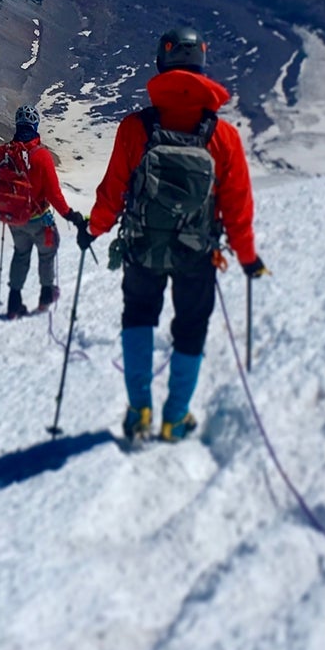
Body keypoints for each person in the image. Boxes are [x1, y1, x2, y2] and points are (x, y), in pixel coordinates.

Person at [77, 26, 265, 442]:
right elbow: (237, 207)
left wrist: (94, 229)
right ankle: (174, 417)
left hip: (143, 246)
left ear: (161, 65)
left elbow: (112, 192)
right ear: (201, 66)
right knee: (191, 327)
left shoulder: (134, 128)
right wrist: (248, 258)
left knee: (139, 317)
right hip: (196, 254)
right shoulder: (225, 137)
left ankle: (139, 411)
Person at [0, 104, 86, 319]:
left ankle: (14, 304)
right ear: (35, 125)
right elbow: (54, 194)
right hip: (39, 219)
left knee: (21, 254)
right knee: (47, 254)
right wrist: (70, 215)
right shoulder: (41, 156)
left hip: (14, 219)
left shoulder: (4, 152)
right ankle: (46, 297)